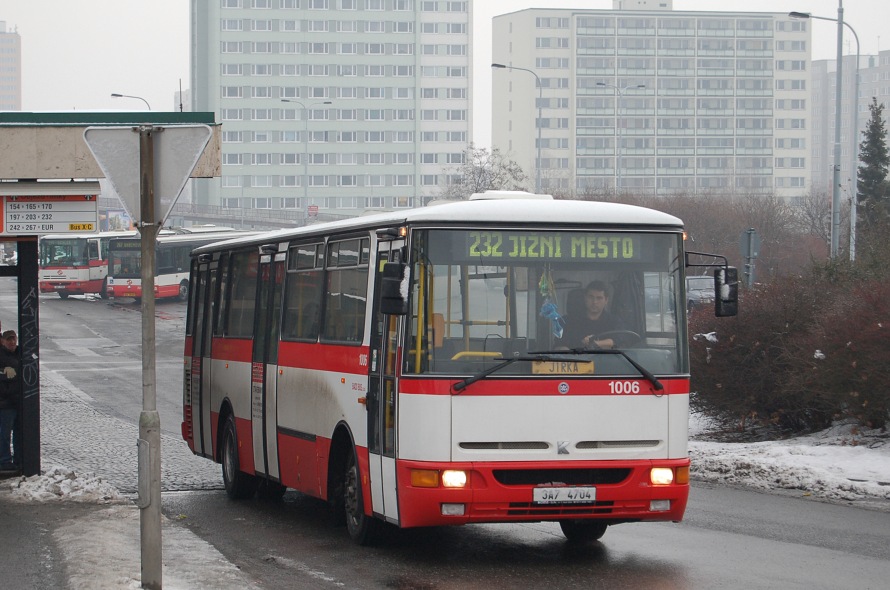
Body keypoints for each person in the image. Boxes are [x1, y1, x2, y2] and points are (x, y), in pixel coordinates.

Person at [560, 280, 628, 349]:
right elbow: (559, 347)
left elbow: (618, 341)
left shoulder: (615, 322)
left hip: (606, 359)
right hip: (576, 359)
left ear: (606, 300)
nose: (594, 302)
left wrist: (593, 343)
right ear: (585, 298)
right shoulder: (568, 321)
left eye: (599, 298)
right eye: (591, 297)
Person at [0, 329, 21, 471]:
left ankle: (18, 459)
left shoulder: (20, 353)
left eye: (13, 339)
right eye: (9, 340)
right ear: (3, 341)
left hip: (18, 401)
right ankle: (5, 460)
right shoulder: (2, 356)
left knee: (18, 433)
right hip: (6, 402)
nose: (12, 342)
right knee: (4, 434)